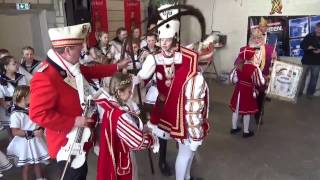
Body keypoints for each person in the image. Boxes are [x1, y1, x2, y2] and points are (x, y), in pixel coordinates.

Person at [29, 23, 129, 180]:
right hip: (66, 144)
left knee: (82, 172)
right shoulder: (45, 76)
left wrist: (116, 66)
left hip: (81, 138)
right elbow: (37, 114)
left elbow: (89, 72)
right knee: (75, 175)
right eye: (78, 47)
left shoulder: (68, 66)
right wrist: (74, 121)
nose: (82, 50)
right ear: (67, 50)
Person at [136, 4, 210, 179]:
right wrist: (133, 81)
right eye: (161, 40)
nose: (163, 43)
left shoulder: (184, 54)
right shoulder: (154, 58)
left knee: (184, 143)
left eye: (167, 40)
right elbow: (141, 76)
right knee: (163, 138)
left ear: (175, 38)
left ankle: (185, 174)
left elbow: (197, 60)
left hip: (183, 106)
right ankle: (163, 162)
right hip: (164, 105)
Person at [95, 72, 158, 180]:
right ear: (119, 92)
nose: (131, 93)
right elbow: (138, 142)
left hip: (117, 149)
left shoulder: (110, 105)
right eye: (129, 91)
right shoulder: (119, 115)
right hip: (121, 156)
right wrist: (153, 139)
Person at [7, 85, 49, 180]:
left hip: (35, 140)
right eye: (31, 95)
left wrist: (41, 128)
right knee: (27, 165)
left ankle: (39, 178)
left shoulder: (30, 108)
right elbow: (15, 132)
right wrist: (32, 133)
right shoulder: (16, 114)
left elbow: (38, 122)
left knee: (37, 161)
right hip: (26, 143)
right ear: (23, 98)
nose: (33, 97)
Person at [235, 28, 276, 123]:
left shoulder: (270, 49)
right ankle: (244, 114)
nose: (257, 40)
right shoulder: (244, 49)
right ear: (251, 38)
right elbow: (238, 63)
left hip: (262, 79)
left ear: (263, 38)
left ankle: (258, 116)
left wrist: (275, 58)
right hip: (247, 81)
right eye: (254, 38)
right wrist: (244, 73)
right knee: (245, 99)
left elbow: (274, 65)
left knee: (260, 100)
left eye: (259, 38)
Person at [230, 47, 265, 138]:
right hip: (248, 91)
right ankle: (246, 132)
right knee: (247, 112)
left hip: (238, 90)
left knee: (236, 110)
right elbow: (260, 82)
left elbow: (233, 79)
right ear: (252, 57)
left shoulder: (238, 65)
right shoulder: (254, 68)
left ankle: (234, 128)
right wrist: (265, 79)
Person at [0, 55, 27, 138]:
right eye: (14, 63)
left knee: (25, 130)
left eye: (16, 62)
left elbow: (26, 92)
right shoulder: (1, 80)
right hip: (8, 110)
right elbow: (1, 100)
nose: (17, 65)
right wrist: (12, 110)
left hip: (23, 106)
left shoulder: (21, 77)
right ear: (6, 67)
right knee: (13, 134)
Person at [299, 22, 320, 98]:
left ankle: (310, 94)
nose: (319, 29)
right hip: (306, 60)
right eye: (318, 27)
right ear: (316, 28)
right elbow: (302, 45)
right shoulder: (309, 36)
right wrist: (308, 47)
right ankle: (299, 92)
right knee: (302, 78)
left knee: (314, 80)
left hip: (317, 62)